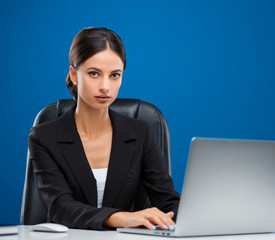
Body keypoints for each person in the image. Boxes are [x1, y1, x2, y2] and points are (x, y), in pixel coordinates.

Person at [28, 27, 180, 230]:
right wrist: (120, 218)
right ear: (74, 74)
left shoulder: (140, 134)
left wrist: (207, 217)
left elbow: (168, 202)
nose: (105, 87)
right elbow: (61, 208)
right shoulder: (44, 137)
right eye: (94, 73)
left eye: (114, 75)